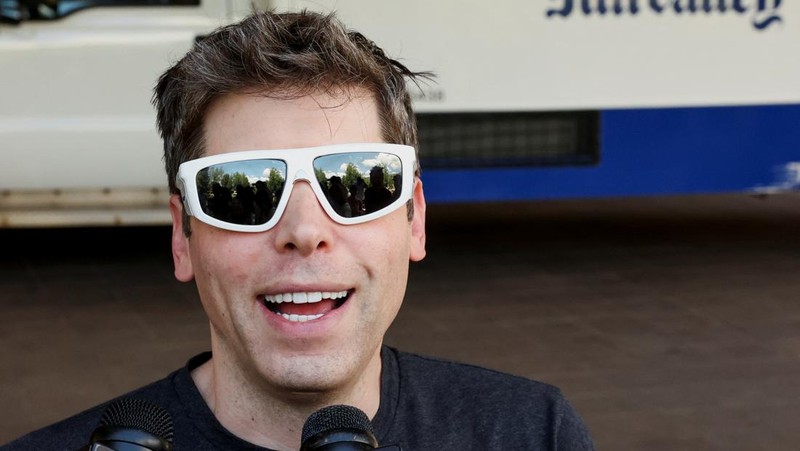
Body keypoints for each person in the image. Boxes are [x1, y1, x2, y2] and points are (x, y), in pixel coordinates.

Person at [3, 10, 594, 450]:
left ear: (415, 221)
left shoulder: (532, 431)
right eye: (244, 190)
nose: (305, 231)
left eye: (356, 184)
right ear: (183, 237)